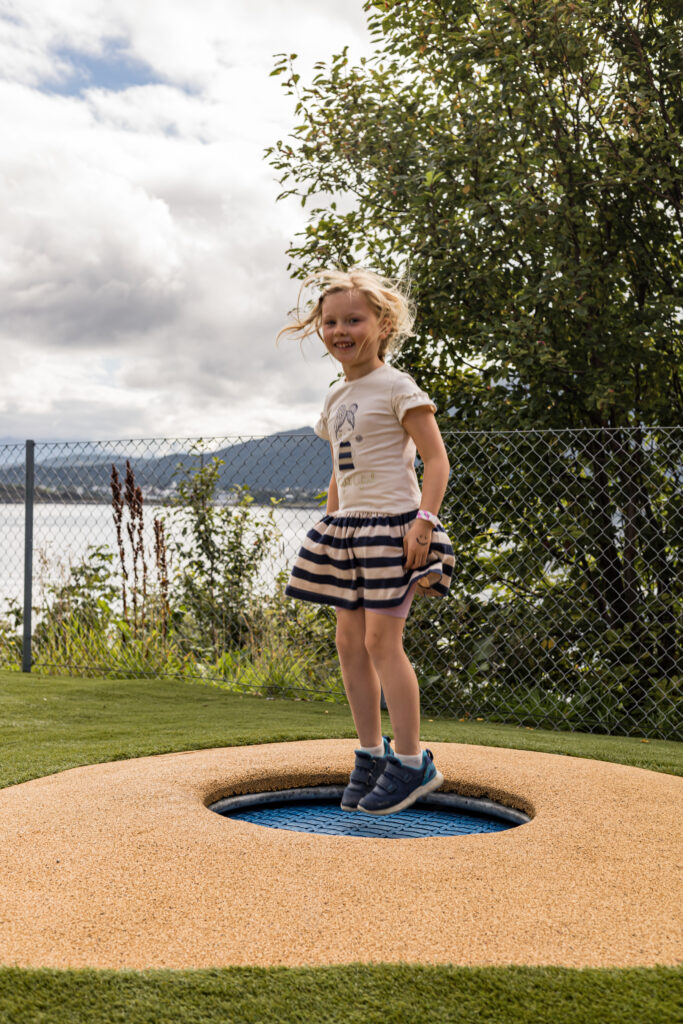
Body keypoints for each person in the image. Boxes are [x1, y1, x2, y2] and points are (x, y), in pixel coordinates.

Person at [279, 268, 455, 815]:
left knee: (383, 642)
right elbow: (339, 473)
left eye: (353, 319)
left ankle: (411, 762)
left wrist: (424, 521)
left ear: (382, 324)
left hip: (395, 528)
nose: (340, 330)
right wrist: (330, 528)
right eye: (330, 321)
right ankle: (369, 752)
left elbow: (437, 460)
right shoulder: (336, 398)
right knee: (349, 644)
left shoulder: (399, 387)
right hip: (349, 531)